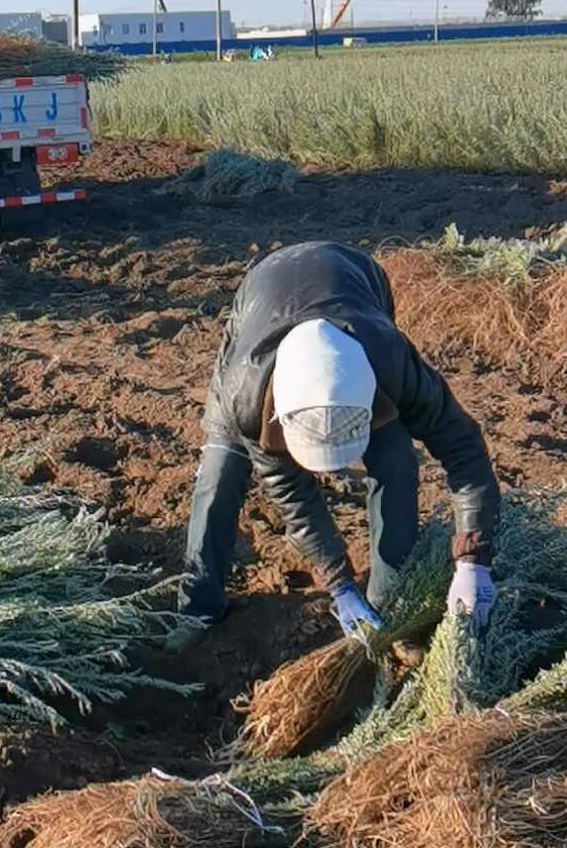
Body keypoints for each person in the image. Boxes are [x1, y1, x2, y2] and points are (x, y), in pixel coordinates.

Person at [178, 240, 499, 642]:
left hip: (355, 279)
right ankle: (197, 612)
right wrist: (339, 582)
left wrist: (473, 561)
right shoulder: (246, 393)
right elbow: (292, 492)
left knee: (396, 459)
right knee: (219, 474)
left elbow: (464, 449)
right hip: (262, 296)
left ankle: (390, 606)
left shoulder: (391, 362)